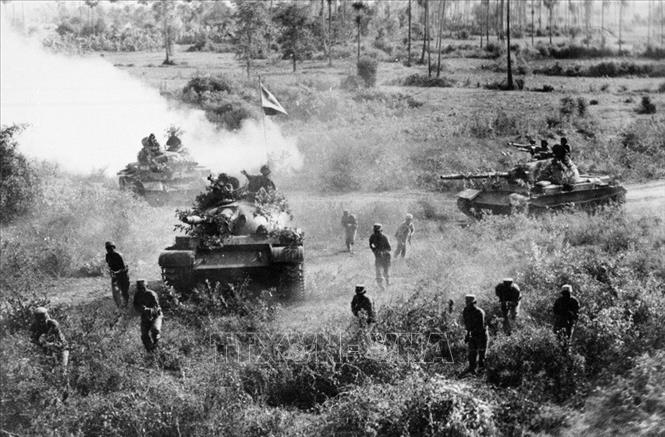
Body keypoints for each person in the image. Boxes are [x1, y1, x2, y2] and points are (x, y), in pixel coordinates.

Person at [31, 307, 69, 372]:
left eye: (42, 318)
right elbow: (33, 339)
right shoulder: (35, 326)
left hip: (61, 348)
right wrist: (39, 343)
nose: (41, 321)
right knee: (48, 370)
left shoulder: (52, 324)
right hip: (48, 349)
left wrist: (45, 342)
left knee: (62, 370)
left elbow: (56, 339)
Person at [133, 280, 163, 352]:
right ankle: (150, 350)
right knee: (144, 335)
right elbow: (135, 306)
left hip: (156, 316)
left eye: (143, 288)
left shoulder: (152, 294)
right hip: (145, 317)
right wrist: (142, 309)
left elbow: (157, 308)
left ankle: (157, 347)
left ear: (147, 287)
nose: (141, 290)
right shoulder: (137, 295)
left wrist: (148, 310)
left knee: (155, 330)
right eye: (139, 288)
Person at [462, 294, 487, 375]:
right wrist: (467, 335)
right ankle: (472, 371)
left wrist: (472, 335)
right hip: (473, 334)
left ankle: (481, 372)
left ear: (474, 303)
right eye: (467, 302)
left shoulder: (479, 312)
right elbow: (467, 324)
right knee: (472, 354)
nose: (468, 304)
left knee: (482, 354)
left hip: (481, 334)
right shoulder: (465, 311)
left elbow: (480, 327)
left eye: (470, 303)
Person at [105, 241, 129, 308]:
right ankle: (119, 306)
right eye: (107, 248)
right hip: (115, 275)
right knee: (115, 292)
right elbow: (109, 266)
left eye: (110, 248)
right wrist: (111, 272)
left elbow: (124, 268)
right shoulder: (107, 256)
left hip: (123, 275)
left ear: (113, 247)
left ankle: (126, 305)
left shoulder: (118, 255)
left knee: (124, 291)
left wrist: (116, 273)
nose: (109, 249)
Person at [369, 223, 391, 289]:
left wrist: (383, 252)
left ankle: (387, 283)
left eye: (378, 231)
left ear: (381, 230)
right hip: (378, 257)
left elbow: (389, 248)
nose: (376, 233)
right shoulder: (372, 237)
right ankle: (380, 286)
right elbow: (371, 245)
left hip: (386, 257)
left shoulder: (384, 237)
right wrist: (375, 250)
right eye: (375, 231)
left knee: (386, 271)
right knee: (378, 271)